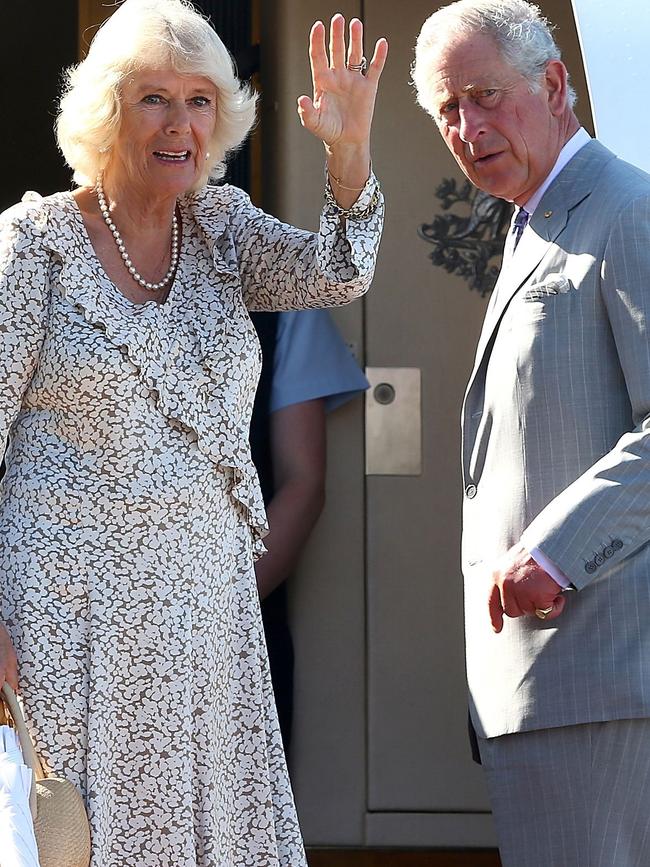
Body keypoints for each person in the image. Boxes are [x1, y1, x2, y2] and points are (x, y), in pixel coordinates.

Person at [0, 0, 387, 863]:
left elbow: (338, 270)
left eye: (200, 100)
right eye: (154, 99)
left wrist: (348, 151)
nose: (181, 125)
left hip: (209, 622)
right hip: (71, 629)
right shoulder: (33, 246)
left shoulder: (223, 229)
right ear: (106, 109)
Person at [413, 2, 650, 865]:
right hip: (548, 684)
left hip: (600, 673)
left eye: (484, 95)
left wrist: (555, 551)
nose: (468, 127)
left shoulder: (623, 208)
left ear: (554, 85)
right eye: (447, 109)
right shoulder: (536, 218)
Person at [250, 309, 369, 751]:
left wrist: (214, 612)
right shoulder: (48, 268)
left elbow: (303, 486)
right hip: (81, 615)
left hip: (230, 632)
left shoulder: (280, 292)